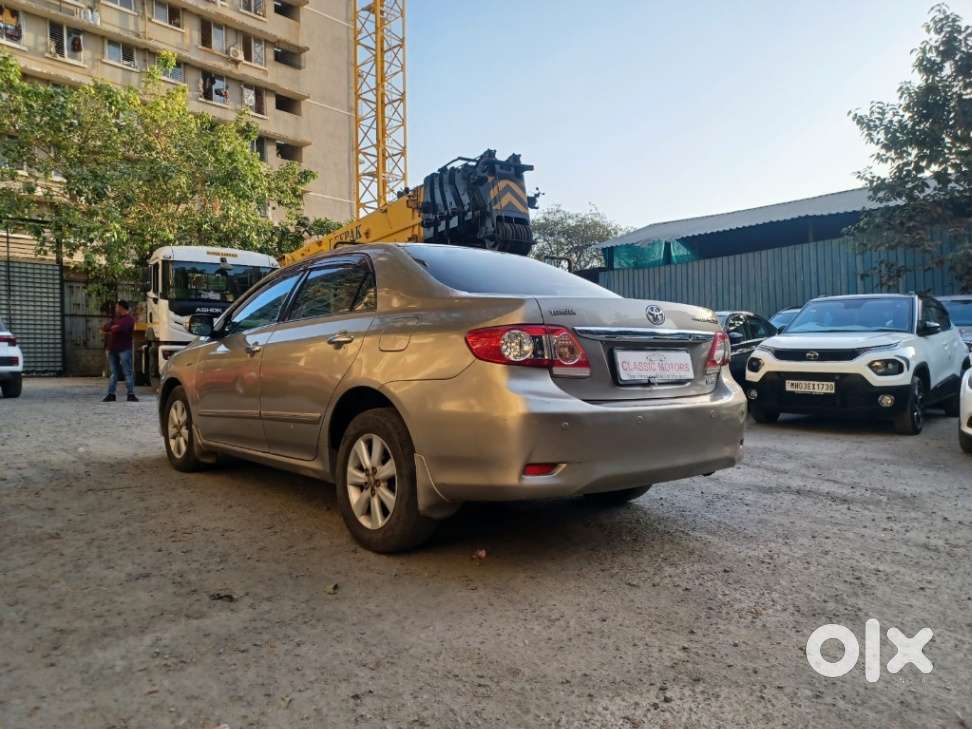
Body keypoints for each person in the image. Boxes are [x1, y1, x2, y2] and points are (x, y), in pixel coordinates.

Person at [101, 300, 138, 402]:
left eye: (117, 307)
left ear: (121, 307)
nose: (116, 309)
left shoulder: (129, 320)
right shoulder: (116, 319)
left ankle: (130, 394)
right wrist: (111, 328)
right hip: (112, 349)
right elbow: (105, 327)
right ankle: (111, 394)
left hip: (124, 349)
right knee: (114, 373)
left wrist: (112, 328)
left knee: (127, 372)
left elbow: (119, 329)